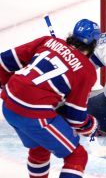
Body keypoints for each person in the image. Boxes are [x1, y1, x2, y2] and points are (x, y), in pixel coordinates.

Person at [0, 19, 100, 178]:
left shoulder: (49, 41)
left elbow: (4, 61)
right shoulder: (87, 70)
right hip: (33, 113)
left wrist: (10, 89)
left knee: (40, 147)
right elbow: (75, 118)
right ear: (93, 45)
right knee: (77, 155)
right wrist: (91, 125)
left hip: (8, 103)